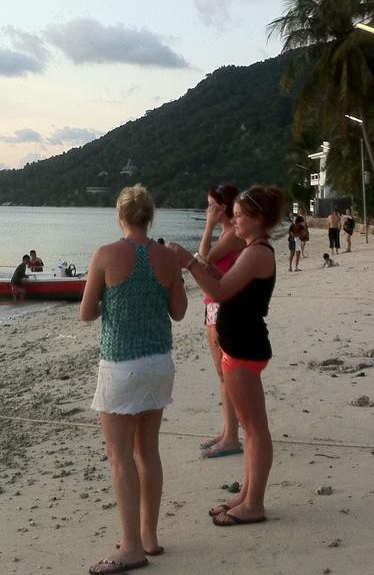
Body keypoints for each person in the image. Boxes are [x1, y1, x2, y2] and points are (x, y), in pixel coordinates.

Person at [80, 185, 188, 574]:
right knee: (148, 452)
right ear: (150, 216)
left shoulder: (106, 254)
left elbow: (87, 312)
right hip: (159, 362)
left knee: (120, 456)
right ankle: (149, 537)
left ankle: (130, 548)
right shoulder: (166, 258)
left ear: (121, 216)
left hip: (122, 364)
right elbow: (178, 312)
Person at [169, 185, 285, 527]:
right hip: (242, 343)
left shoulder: (257, 251)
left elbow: (218, 290)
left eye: (238, 215)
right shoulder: (253, 249)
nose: (233, 221)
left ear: (257, 219)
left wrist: (189, 262)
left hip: (245, 345)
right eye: (232, 215)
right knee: (251, 428)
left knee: (255, 429)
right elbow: (226, 282)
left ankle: (255, 503)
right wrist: (200, 267)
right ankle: (247, 495)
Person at [197, 184, 245, 459]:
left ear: (222, 208)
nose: (208, 211)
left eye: (210, 206)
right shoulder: (229, 233)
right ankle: (228, 430)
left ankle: (231, 436)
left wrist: (207, 226)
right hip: (215, 303)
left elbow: (204, 257)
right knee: (221, 372)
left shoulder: (231, 235)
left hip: (221, 305)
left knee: (225, 371)